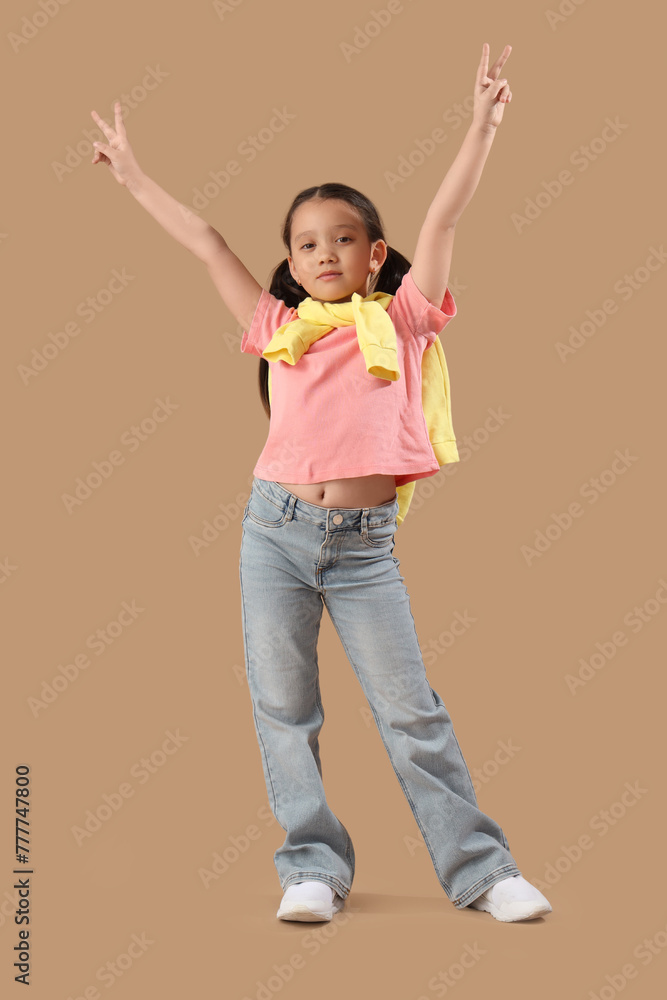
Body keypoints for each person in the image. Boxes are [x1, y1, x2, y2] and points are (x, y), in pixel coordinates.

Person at [90, 42, 552, 924]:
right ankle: (311, 868)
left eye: (343, 238)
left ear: (375, 253)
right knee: (283, 707)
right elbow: (207, 243)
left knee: (410, 712)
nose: (325, 251)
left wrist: (480, 129)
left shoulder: (405, 319)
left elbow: (445, 221)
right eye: (307, 244)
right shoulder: (277, 328)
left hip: (364, 551)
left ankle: (483, 870)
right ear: (293, 265)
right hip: (273, 534)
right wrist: (136, 176)